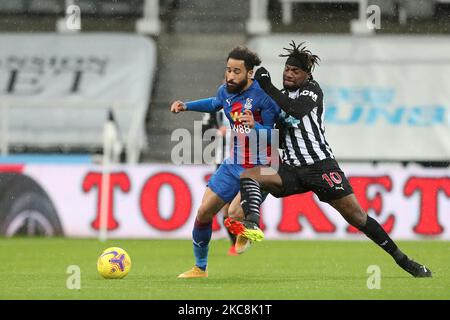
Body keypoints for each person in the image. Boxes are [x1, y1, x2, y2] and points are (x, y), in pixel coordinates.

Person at [225, 41, 432, 278]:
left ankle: (404, 261)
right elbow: (277, 135)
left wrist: (267, 86)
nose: (289, 74)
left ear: (306, 74)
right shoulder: (279, 97)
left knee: (358, 217)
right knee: (251, 175)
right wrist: (254, 124)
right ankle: (252, 224)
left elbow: (295, 110)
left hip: (321, 167)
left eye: (296, 71)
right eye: (287, 69)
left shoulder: (311, 90)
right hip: (291, 169)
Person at [171, 46, 280, 278]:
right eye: (228, 70)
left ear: (250, 73)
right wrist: (186, 106)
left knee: (233, 213)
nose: (230, 76)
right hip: (234, 163)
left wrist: (256, 127)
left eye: (236, 71)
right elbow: (213, 103)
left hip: (261, 167)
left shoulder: (264, 98)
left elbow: (274, 135)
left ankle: (248, 229)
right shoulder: (226, 91)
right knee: (203, 212)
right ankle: (200, 268)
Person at [201, 109, 239, 256]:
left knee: (239, 202)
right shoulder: (214, 108)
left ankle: (244, 232)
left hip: (244, 161)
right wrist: (217, 132)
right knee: (225, 206)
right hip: (221, 162)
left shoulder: (249, 103)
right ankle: (234, 243)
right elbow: (205, 132)